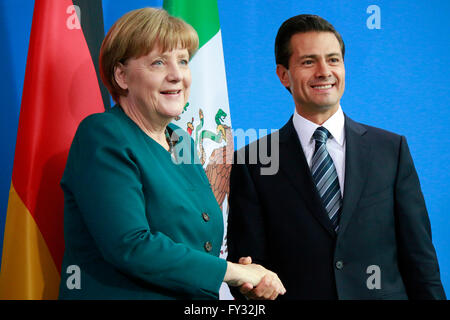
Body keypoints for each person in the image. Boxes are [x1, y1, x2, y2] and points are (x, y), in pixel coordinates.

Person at [58, 7, 285, 300]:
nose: (177, 75)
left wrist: (243, 280)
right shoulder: (102, 135)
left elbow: (198, 243)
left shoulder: (182, 142)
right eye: (158, 63)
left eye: (183, 61)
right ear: (122, 76)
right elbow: (130, 245)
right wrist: (231, 272)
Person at [227, 14, 446, 300]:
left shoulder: (391, 150)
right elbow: (246, 269)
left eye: (333, 60)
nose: (324, 71)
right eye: (309, 61)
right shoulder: (253, 160)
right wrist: (250, 288)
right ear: (283, 74)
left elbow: (422, 263)